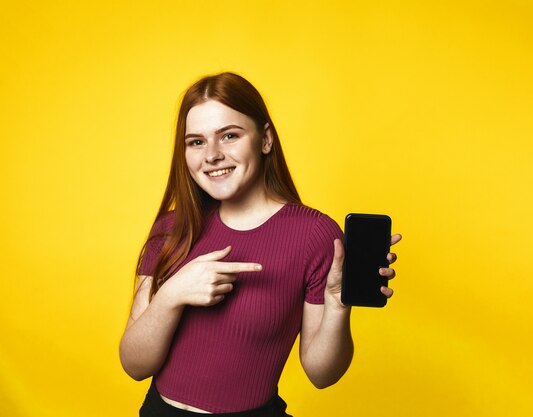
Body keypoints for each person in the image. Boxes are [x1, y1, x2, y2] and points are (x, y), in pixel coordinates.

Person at [119, 72, 401, 416]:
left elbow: (322, 374)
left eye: (230, 136)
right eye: (196, 142)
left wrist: (337, 307)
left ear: (265, 139)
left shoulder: (315, 235)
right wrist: (173, 295)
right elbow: (134, 365)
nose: (212, 155)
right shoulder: (172, 229)